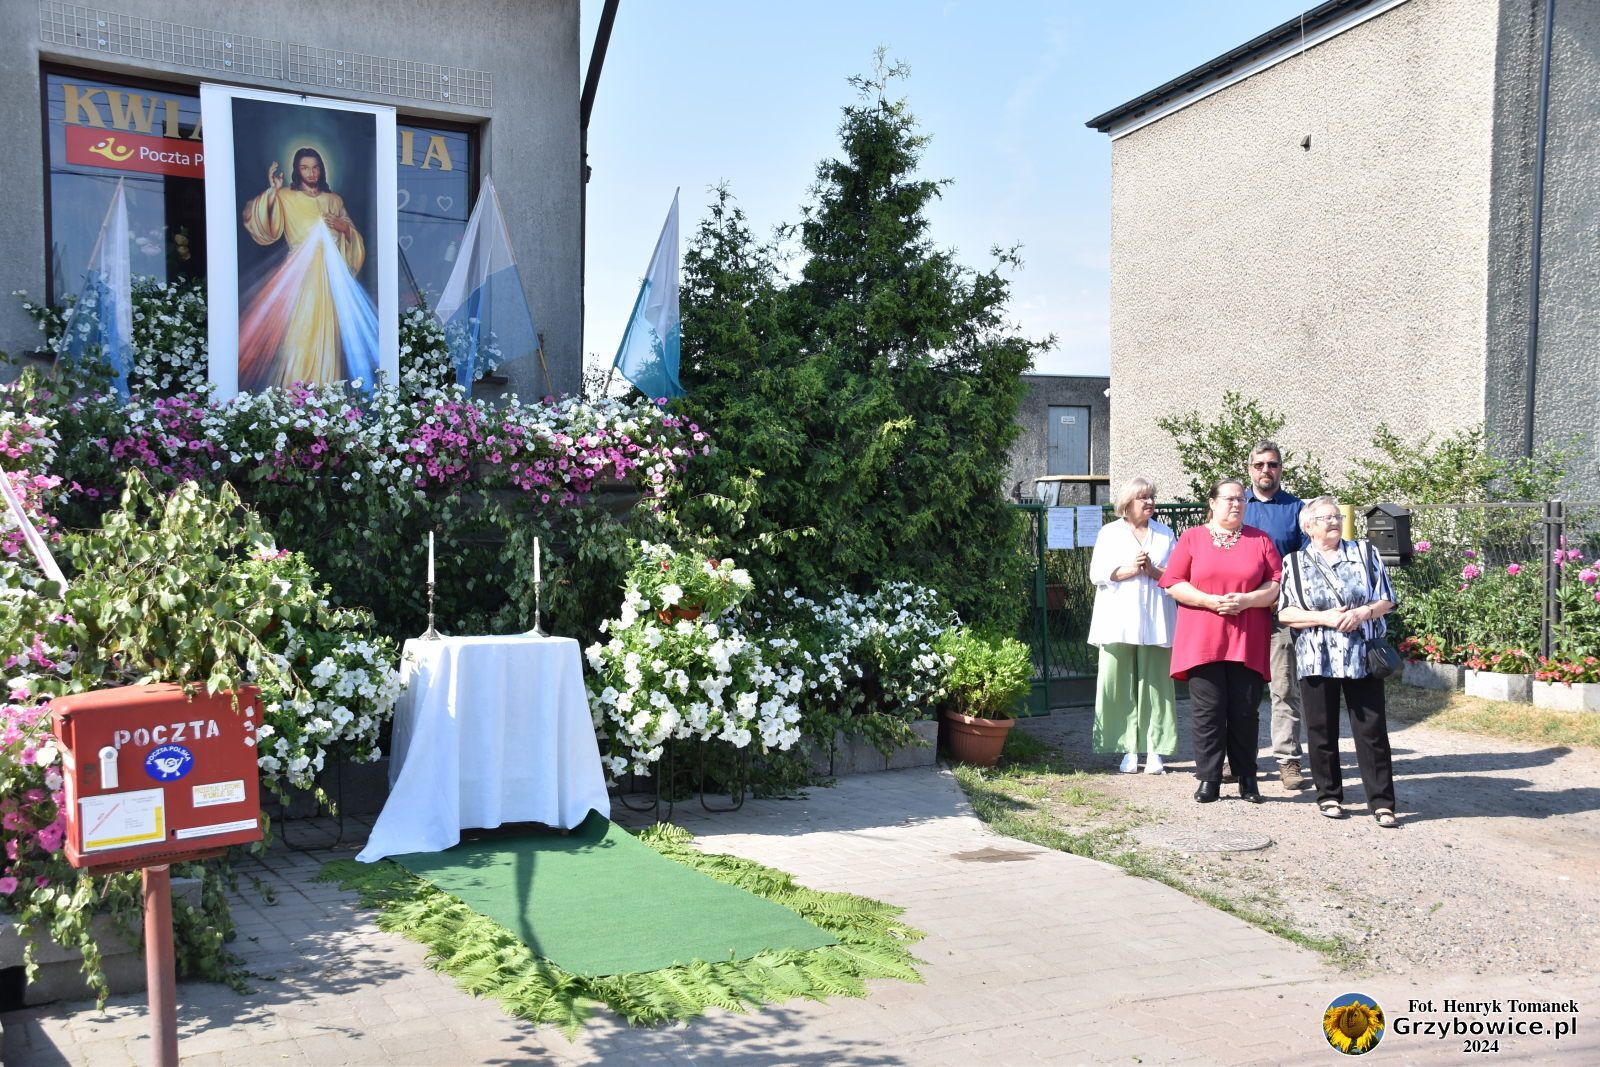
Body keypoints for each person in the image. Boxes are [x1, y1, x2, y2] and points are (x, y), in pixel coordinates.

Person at [1277, 496, 1401, 827]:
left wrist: (1362, 613)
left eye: (1336, 517)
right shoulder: (1294, 562)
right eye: (1325, 518)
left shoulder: (1365, 552)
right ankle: (1329, 795)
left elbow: (1387, 598)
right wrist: (1325, 618)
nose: (1333, 522)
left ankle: (1382, 802)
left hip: (1362, 655)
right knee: (1321, 729)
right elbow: (1286, 613)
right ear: (1308, 526)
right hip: (1317, 656)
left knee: (1371, 729)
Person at [1160, 478, 1282, 803]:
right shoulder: (1192, 538)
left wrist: (1247, 600)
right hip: (1202, 638)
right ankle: (1209, 779)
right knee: (1208, 711)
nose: (1237, 504)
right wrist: (1209, 601)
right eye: (1229, 498)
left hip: (1247, 637)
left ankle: (1247, 778)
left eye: (1241, 499)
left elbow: (1275, 584)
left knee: (1245, 710)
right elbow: (1173, 583)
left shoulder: (1260, 539)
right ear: (1212, 503)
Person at [237, 146, 379, 392]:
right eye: (305, 168)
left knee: (329, 336)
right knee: (299, 333)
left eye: (315, 167)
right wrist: (272, 191)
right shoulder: (285, 196)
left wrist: (343, 228)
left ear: (322, 169)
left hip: (331, 276)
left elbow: (354, 244)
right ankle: (295, 395)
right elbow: (262, 226)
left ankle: (326, 394)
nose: (311, 173)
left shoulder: (334, 200)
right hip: (300, 275)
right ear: (297, 170)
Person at [1088, 477, 1178, 774]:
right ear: (1127, 503)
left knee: (1157, 686)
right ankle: (1127, 749)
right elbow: (1097, 573)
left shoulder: (1165, 533)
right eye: (1143, 497)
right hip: (1117, 620)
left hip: (1157, 619)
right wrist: (1130, 569)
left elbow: (1178, 574)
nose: (1150, 502)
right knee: (1117, 683)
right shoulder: (1109, 532)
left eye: (1152, 496)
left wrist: (1152, 570)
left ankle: (1155, 750)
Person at [1243, 440, 1309, 791]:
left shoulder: (1297, 509)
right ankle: (1239, 757)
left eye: (1272, 464)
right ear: (1250, 469)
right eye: (1259, 465)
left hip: (1280, 613)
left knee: (1283, 689)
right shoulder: (1238, 506)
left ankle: (1287, 760)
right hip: (1242, 614)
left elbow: (1306, 563)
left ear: (1281, 468)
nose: (1266, 470)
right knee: (1243, 691)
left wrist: (1280, 598)